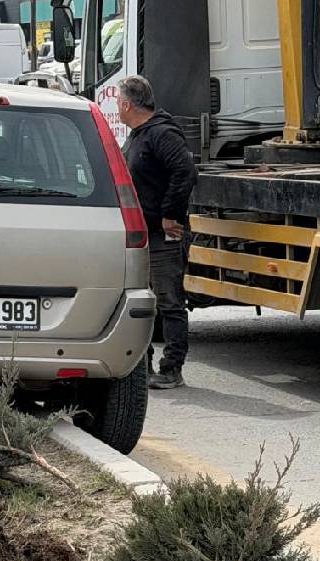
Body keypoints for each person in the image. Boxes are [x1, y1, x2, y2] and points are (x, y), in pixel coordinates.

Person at [118, 75, 197, 390]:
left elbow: (185, 172)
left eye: (118, 103)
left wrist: (170, 215)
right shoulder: (138, 135)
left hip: (163, 235)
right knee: (143, 302)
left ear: (127, 104)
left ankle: (172, 368)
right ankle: (143, 365)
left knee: (169, 302)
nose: (117, 109)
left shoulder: (162, 134)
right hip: (142, 234)